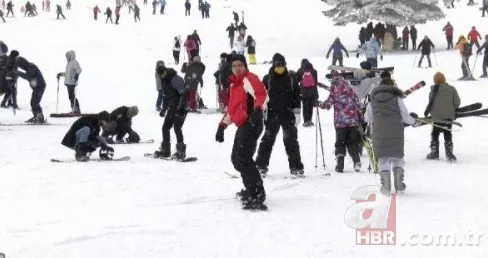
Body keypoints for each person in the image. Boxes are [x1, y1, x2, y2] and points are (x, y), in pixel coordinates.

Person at [214, 54, 268, 210]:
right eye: (234, 66)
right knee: (237, 159)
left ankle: (257, 194)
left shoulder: (249, 78)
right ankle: (252, 189)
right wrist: (222, 126)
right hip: (243, 124)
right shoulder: (234, 85)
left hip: (252, 122)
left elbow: (261, 94)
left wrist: (257, 109)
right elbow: (232, 109)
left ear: (245, 66)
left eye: (240, 65)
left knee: (243, 158)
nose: (237, 68)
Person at [364, 74, 421, 194]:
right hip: (396, 130)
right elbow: (405, 116)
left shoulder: (372, 102)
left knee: (383, 157)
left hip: (379, 131)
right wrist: (415, 122)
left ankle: (386, 186)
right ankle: (399, 185)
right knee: (397, 156)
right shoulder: (397, 99)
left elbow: (368, 118)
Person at [255, 53, 303, 177]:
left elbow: (297, 96)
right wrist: (260, 109)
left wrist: (297, 111)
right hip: (272, 115)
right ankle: (260, 166)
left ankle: (296, 167)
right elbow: (260, 95)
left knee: (291, 141)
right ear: (273, 65)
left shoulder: (291, 78)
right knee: (267, 141)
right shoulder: (267, 78)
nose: (280, 67)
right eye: (278, 65)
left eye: (282, 65)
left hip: (288, 114)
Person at [318, 71, 361, 173]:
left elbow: (328, 105)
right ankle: (357, 162)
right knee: (352, 143)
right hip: (352, 121)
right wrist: (360, 116)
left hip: (340, 122)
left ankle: (340, 164)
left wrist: (318, 103)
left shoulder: (334, 89)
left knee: (340, 143)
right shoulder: (350, 88)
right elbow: (357, 102)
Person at [154, 63, 188, 160]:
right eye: (159, 75)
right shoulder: (164, 80)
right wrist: (163, 109)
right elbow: (166, 96)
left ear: (165, 71)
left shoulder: (174, 78)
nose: (161, 76)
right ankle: (166, 150)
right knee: (165, 128)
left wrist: (181, 107)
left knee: (177, 128)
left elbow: (184, 93)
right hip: (172, 108)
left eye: (162, 74)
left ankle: (180, 151)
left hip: (181, 107)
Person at [423, 72, 460, 162]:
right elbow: (457, 103)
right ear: (444, 79)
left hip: (436, 117)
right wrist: (451, 109)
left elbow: (430, 104)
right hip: (448, 117)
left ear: (434, 81)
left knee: (435, 134)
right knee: (447, 133)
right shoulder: (452, 89)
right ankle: (449, 154)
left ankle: (434, 153)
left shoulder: (432, 91)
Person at [15, 57, 47, 123]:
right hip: (37, 87)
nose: (21, 67)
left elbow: (27, 76)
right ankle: (38, 116)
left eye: (20, 65)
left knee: (34, 102)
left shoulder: (31, 67)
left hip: (40, 86)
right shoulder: (29, 67)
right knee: (33, 102)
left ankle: (39, 117)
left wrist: (18, 73)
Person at [296, 58, 318, 127]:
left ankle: (306, 121)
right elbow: (315, 82)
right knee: (310, 106)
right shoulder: (314, 71)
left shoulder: (300, 70)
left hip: (303, 92)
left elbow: (297, 80)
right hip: (312, 92)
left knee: (305, 106)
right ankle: (310, 120)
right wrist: (316, 94)